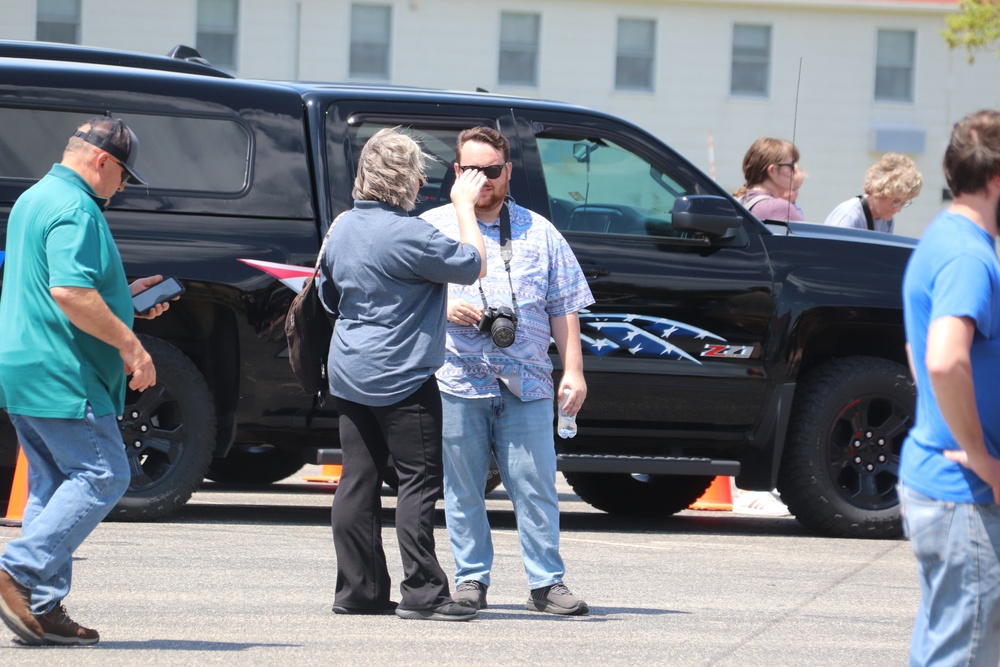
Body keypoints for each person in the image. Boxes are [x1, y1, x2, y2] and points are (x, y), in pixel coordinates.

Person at [0, 117, 170, 646]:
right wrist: (130, 344)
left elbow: (67, 284)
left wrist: (126, 294)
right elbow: (70, 292)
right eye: (123, 177)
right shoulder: (77, 208)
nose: (121, 189)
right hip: (64, 370)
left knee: (53, 486)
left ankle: (43, 608)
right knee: (102, 475)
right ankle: (18, 572)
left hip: (25, 365)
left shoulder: (36, 197)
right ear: (103, 162)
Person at [316, 128, 488, 622]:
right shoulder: (411, 233)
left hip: (349, 370)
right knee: (418, 481)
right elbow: (472, 264)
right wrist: (463, 207)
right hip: (403, 376)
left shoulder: (344, 226)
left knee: (358, 479)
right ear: (408, 178)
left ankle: (358, 591)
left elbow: (328, 296)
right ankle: (424, 593)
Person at [422, 126, 595, 616]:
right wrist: (447, 305)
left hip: (529, 380)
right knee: (463, 486)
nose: (484, 181)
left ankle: (547, 583)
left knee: (535, 483)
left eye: (493, 171)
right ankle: (470, 579)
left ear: (508, 172)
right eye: (472, 171)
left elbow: (565, 306)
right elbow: (409, 296)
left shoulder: (540, 231)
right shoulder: (434, 226)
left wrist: (574, 371)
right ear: (457, 172)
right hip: (457, 376)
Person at [899, 109, 1000, 666]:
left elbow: (918, 353)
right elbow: (941, 360)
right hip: (964, 493)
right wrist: (982, 457)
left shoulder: (942, 239)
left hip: (940, 484)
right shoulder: (968, 255)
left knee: (944, 649)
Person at [824, 153, 922, 234]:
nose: (898, 209)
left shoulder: (887, 219)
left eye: (903, 203)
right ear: (878, 191)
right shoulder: (849, 217)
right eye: (895, 201)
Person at [733, 137, 805, 222]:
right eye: (791, 165)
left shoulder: (738, 202)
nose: (795, 172)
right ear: (773, 170)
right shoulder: (782, 208)